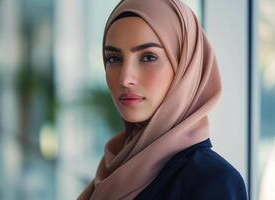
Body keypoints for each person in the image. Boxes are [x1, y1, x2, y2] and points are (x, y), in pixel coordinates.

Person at [78, 0, 248, 199]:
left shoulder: (213, 181)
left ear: (184, 67)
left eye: (148, 57)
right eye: (114, 59)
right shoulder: (114, 166)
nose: (125, 79)